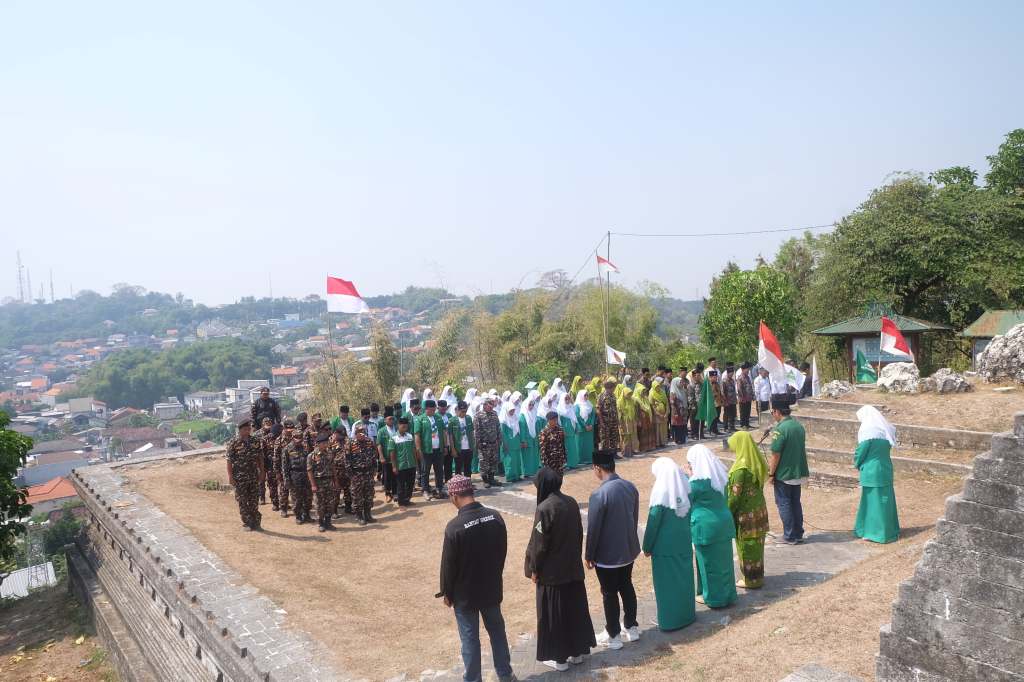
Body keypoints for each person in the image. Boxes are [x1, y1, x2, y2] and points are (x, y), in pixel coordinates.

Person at [438, 475, 516, 682]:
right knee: (497, 633)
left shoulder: (454, 527)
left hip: (465, 596)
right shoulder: (495, 517)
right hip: (491, 588)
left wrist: (447, 592)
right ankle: (506, 674)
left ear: (454, 495)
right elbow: (502, 551)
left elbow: (448, 565)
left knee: (470, 640)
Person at [525, 467, 595, 671]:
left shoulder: (544, 508)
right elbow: (579, 533)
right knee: (575, 610)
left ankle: (560, 658)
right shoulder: (571, 502)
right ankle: (577, 652)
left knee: (554, 614)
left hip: (552, 574)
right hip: (572, 569)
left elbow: (539, 543)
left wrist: (534, 568)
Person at [586, 451, 641, 650]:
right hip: (628, 550)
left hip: (607, 556)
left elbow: (593, 529)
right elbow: (634, 518)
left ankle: (614, 635)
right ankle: (631, 627)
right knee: (627, 586)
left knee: (609, 593)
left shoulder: (599, 494)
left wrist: (589, 554)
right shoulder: (630, 487)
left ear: (597, 468)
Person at [642, 457, 695, 631]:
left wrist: (646, 547)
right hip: (684, 541)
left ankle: (670, 621)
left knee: (667, 586)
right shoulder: (685, 487)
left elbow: (653, 521)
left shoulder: (660, 492)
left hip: (664, 548)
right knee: (684, 580)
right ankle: (687, 615)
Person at [685, 444, 737, 608]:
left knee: (708, 564)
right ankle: (728, 594)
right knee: (725, 562)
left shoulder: (696, 482)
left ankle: (714, 598)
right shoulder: (720, 475)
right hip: (724, 523)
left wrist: (687, 474)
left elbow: (687, 499)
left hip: (705, 527)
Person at [726, 431, 769, 589]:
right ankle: (759, 576)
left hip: (746, 515)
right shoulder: (756, 461)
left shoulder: (740, 469)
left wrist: (727, 512)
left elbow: (735, 497)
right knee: (757, 544)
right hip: (759, 511)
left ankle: (751, 580)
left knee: (747, 546)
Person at [853, 405, 900, 544]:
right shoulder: (884, 430)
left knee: (873, 503)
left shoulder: (868, 431)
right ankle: (890, 530)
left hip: (871, 471)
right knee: (885, 501)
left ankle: (874, 533)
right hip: (885, 469)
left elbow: (861, 452)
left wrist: (857, 463)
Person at [767, 396, 810, 544]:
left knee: (784, 503)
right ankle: (798, 533)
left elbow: (775, 455)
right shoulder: (798, 426)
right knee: (795, 502)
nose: (772, 414)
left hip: (784, 473)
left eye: (772, 411)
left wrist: (771, 474)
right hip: (798, 471)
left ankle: (789, 535)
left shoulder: (780, 429)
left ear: (777, 411)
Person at [225, 419, 265, 531]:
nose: (248, 431)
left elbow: (260, 458)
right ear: (240, 429)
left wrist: (262, 472)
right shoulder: (233, 443)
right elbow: (229, 461)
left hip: (253, 476)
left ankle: (256, 523)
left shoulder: (255, 441)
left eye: (249, 429)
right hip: (240, 477)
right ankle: (247, 523)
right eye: (246, 429)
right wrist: (230, 477)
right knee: (242, 501)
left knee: (254, 500)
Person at [346, 423, 378, 525]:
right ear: (355, 433)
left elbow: (374, 457)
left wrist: (374, 470)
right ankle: (359, 516)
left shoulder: (369, 442)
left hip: (368, 473)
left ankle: (368, 515)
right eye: (360, 432)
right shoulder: (350, 444)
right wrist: (352, 476)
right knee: (357, 496)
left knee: (369, 495)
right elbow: (347, 461)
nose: (362, 434)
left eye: (364, 432)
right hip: (357, 474)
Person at [415, 399, 447, 499]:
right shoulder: (420, 419)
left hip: (438, 449)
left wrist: (445, 446)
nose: (433, 411)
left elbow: (444, 432)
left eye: (434, 409)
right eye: (431, 409)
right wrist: (418, 449)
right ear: (426, 409)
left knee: (439, 470)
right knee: (425, 471)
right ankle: (425, 490)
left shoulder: (438, 418)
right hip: (426, 450)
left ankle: (439, 488)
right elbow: (417, 435)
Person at [307, 433, 337, 532]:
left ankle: (328, 522)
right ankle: (321, 523)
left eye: (326, 443)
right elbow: (310, 471)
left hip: (328, 481)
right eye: (323, 443)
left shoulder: (330, 453)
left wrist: (335, 480)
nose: (326, 445)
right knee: (319, 504)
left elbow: (333, 467)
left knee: (329, 503)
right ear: (318, 444)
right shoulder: (311, 456)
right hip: (318, 482)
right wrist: (313, 485)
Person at [283, 431, 312, 524]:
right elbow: (284, 466)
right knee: (297, 498)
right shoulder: (287, 449)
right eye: (296, 438)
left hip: (305, 474)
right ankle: (298, 516)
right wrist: (287, 480)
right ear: (292, 438)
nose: (298, 440)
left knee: (308, 496)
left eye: (300, 438)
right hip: (294, 475)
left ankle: (307, 514)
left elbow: (310, 462)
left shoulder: (305, 447)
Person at [389, 417, 419, 506]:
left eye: (406, 426)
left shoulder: (410, 436)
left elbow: (414, 450)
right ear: (398, 426)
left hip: (411, 465)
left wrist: (416, 463)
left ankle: (407, 500)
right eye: (402, 425)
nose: (404, 427)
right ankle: (401, 502)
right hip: (401, 466)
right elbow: (392, 453)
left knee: (410, 484)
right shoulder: (393, 438)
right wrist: (394, 467)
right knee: (401, 485)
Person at [476, 398, 504, 488]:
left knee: (493, 462)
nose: (491, 408)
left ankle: (492, 479)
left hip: (494, 443)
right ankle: (485, 480)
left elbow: (498, 427)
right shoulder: (478, 416)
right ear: (484, 405)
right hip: (484, 443)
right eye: (489, 406)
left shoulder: (494, 414)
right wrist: (478, 442)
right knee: (484, 462)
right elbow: (476, 430)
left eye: (492, 406)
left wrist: (499, 439)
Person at [273, 419, 295, 517]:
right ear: (284, 428)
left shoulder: (296, 438)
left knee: (295, 490)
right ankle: (283, 508)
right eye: (288, 428)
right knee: (283, 489)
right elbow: (276, 457)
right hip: (283, 469)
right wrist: (277, 472)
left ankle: (297, 508)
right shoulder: (279, 440)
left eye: (291, 428)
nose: (290, 430)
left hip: (294, 468)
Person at [449, 400, 476, 479]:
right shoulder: (452, 420)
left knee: (468, 467)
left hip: (468, 448)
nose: (463, 413)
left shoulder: (468, 418)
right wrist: (453, 449)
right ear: (457, 409)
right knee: (458, 468)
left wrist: (473, 445)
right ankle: (459, 485)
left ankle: (468, 484)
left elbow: (471, 432)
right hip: (458, 449)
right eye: (462, 411)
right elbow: (450, 436)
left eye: (465, 411)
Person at [329, 427, 352, 517]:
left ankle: (348, 508)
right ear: (335, 433)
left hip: (347, 470)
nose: (342, 437)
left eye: (344, 434)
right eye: (340, 435)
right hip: (336, 471)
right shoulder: (330, 442)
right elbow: (327, 454)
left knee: (348, 490)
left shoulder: (348, 441)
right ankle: (334, 511)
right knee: (336, 491)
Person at [596, 379, 620, 462]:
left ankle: (614, 453)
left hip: (613, 420)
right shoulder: (601, 396)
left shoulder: (613, 396)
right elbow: (598, 410)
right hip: (605, 421)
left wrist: (617, 419)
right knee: (605, 439)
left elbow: (615, 408)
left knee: (614, 437)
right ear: (608, 388)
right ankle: (604, 456)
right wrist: (601, 422)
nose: (613, 389)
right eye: (612, 388)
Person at [499, 402, 523, 483]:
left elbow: (518, 431)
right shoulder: (503, 420)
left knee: (517, 459)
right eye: (510, 410)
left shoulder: (515, 417)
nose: (512, 412)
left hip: (516, 442)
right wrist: (504, 444)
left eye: (513, 410)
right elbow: (502, 434)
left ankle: (517, 475)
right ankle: (510, 477)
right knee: (510, 460)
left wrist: (520, 441)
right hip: (508, 443)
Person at [519, 394, 541, 478]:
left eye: (532, 405)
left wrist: (538, 437)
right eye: (530, 404)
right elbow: (522, 429)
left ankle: (534, 471)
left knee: (534, 455)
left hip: (534, 438)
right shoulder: (522, 416)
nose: (531, 406)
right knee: (527, 456)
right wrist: (523, 441)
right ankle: (527, 472)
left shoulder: (534, 413)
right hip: (527, 439)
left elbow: (537, 427)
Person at [377, 407, 397, 502]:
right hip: (386, 457)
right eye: (389, 419)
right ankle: (388, 493)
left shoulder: (397, 429)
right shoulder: (381, 431)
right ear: (385, 420)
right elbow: (379, 444)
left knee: (395, 475)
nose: (391, 420)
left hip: (396, 457)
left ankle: (395, 493)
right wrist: (381, 456)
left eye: (393, 418)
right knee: (387, 476)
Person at [538, 411, 567, 475]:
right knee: (551, 480)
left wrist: (564, 457)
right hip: (550, 461)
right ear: (548, 420)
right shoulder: (544, 432)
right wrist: (545, 463)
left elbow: (562, 445)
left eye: (556, 420)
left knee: (559, 479)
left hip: (559, 460)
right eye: (553, 420)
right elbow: (543, 449)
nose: (555, 421)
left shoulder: (560, 430)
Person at [557, 393, 580, 470]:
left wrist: (576, 428)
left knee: (573, 447)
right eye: (566, 399)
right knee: (567, 448)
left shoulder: (571, 407)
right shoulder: (560, 409)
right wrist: (562, 430)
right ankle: (569, 464)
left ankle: (574, 463)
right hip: (565, 431)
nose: (567, 400)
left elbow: (574, 419)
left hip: (572, 430)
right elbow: (559, 422)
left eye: (568, 398)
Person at [574, 389, 596, 466]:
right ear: (581, 396)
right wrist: (585, 425)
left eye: (587, 395)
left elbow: (593, 415)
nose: (586, 397)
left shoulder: (590, 404)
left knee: (589, 444)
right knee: (580, 444)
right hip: (581, 428)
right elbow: (577, 416)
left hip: (590, 428)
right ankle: (580, 460)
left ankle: (589, 459)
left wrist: (591, 425)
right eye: (585, 395)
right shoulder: (577, 406)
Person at [617, 386, 638, 457]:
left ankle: (631, 451)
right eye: (628, 394)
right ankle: (625, 452)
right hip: (624, 421)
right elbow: (619, 413)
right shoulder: (620, 402)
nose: (629, 395)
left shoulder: (631, 400)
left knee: (631, 436)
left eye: (630, 394)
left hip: (631, 420)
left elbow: (634, 410)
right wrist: (620, 423)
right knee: (625, 436)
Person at [633, 385, 653, 452]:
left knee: (648, 431)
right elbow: (636, 411)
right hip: (641, 418)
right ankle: (642, 448)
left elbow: (648, 408)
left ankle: (648, 447)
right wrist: (638, 420)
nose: (643, 392)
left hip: (647, 418)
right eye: (642, 391)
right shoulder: (636, 399)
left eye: (644, 391)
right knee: (642, 432)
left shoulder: (645, 398)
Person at [649, 377, 669, 448]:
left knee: (663, 428)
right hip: (657, 415)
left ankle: (663, 442)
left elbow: (666, 402)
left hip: (664, 414)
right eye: (657, 386)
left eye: (659, 386)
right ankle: (657, 443)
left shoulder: (662, 392)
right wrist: (658, 414)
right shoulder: (651, 393)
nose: (658, 387)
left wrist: (666, 412)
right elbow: (652, 405)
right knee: (657, 429)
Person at [737, 362, 755, 429]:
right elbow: (739, 389)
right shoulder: (740, 378)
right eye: (747, 369)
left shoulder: (748, 377)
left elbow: (750, 387)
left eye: (748, 369)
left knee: (748, 411)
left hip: (748, 398)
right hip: (743, 399)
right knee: (743, 412)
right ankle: (743, 425)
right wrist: (742, 397)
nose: (748, 371)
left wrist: (752, 395)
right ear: (743, 369)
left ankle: (747, 424)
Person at [687, 368, 703, 440]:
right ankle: (694, 434)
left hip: (701, 406)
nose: (699, 377)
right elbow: (690, 398)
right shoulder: (690, 385)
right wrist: (695, 405)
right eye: (697, 376)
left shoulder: (702, 384)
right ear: (693, 376)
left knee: (701, 420)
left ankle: (700, 433)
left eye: (699, 375)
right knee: (694, 422)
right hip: (694, 407)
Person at [722, 364, 738, 432]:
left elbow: (734, 390)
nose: (732, 374)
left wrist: (735, 398)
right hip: (727, 401)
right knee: (726, 414)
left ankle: (732, 427)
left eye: (732, 373)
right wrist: (725, 401)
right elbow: (723, 392)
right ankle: (725, 427)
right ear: (728, 373)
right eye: (731, 373)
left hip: (733, 400)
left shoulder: (732, 380)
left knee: (733, 414)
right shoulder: (724, 381)